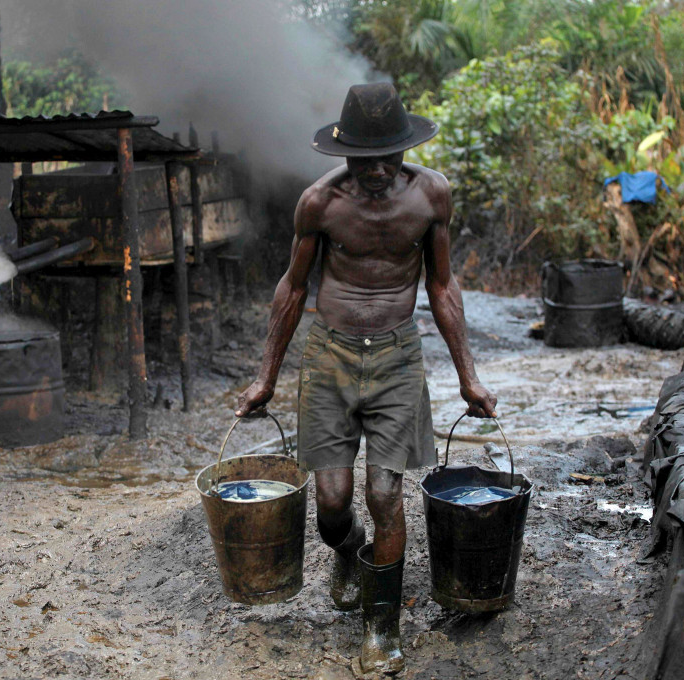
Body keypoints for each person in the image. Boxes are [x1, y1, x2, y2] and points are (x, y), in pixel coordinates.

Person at [235, 82, 497, 675]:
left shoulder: (432, 195)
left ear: (405, 149)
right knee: (331, 504)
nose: (377, 170)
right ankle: (350, 553)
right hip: (329, 356)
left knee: (384, 493)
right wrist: (265, 378)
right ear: (343, 153)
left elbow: (441, 284)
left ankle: (382, 631)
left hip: (398, 358)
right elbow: (294, 288)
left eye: (388, 156)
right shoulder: (319, 204)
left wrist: (468, 377)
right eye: (364, 159)